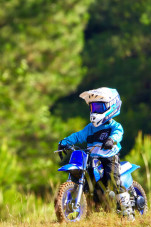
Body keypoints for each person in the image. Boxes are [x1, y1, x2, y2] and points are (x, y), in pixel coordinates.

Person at [57, 87, 134, 220]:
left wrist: (111, 140)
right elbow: (78, 136)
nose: (95, 111)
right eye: (93, 107)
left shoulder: (114, 126)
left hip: (109, 157)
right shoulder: (90, 128)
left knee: (112, 180)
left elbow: (118, 134)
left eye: (99, 107)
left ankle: (127, 213)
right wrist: (64, 142)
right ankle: (88, 209)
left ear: (111, 106)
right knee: (89, 182)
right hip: (92, 158)